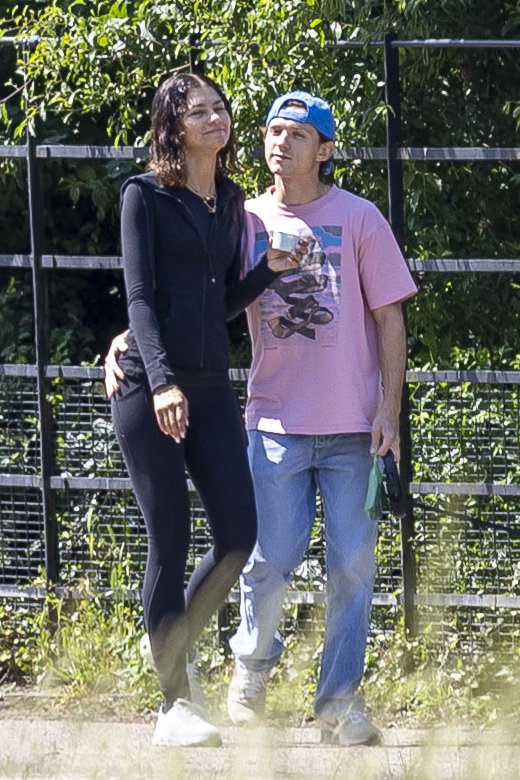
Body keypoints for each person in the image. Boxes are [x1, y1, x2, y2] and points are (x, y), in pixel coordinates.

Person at [106, 89, 417, 747]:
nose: (281, 142)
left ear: (325, 150)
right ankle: (240, 676)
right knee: (263, 561)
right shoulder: (239, 213)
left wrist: (389, 410)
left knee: (349, 567)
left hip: (352, 426)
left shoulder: (353, 216)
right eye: (274, 130)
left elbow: (389, 317)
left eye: (298, 134)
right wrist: (130, 346)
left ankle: (338, 704)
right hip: (270, 420)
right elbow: (170, 294)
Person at [109, 72, 304, 749]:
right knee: (169, 535)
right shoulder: (144, 195)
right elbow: (140, 300)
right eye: (200, 112)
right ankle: (173, 707)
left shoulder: (229, 202)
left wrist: (267, 271)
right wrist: (162, 383)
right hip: (150, 387)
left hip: (212, 385)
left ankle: (169, 641)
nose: (217, 119)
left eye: (221, 108)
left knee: (238, 535)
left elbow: (215, 304)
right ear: (173, 124)